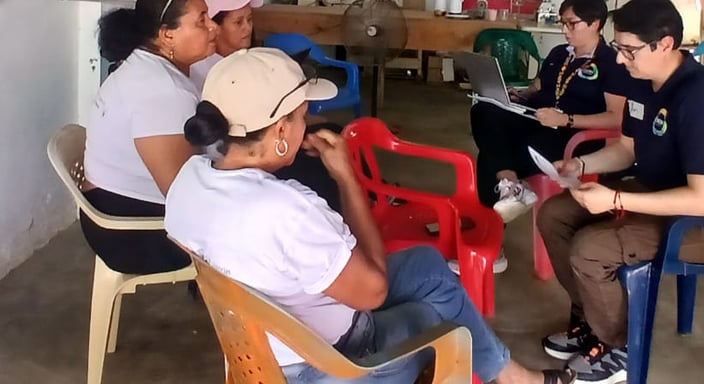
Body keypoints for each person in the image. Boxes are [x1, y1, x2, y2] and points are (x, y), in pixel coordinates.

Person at [164, 48, 574, 384]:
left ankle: (512, 376)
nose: (308, 123)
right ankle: (499, 374)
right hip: (330, 364)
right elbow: (373, 291)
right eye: (303, 116)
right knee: (442, 321)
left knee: (426, 264)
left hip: (254, 349)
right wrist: (347, 177)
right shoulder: (287, 208)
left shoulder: (190, 178)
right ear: (281, 132)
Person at [537, 0, 704, 384]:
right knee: (555, 214)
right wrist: (582, 165)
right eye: (618, 48)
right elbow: (627, 149)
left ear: (665, 44)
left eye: (628, 50)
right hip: (657, 191)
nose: (620, 60)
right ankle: (592, 321)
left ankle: (620, 348)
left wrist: (615, 198)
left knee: (590, 247)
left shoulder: (699, 97)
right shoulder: (642, 83)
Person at [82, 0, 217, 274]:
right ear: (167, 34)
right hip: (131, 233)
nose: (213, 27)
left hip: (109, 211)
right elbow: (182, 195)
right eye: (201, 21)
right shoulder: (164, 90)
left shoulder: (144, 64)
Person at [471, 0, 631, 225]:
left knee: (495, 153)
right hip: (537, 118)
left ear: (595, 23)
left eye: (572, 24)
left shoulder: (611, 63)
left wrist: (566, 119)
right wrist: (520, 95)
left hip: (572, 133)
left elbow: (616, 118)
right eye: (562, 23)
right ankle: (511, 185)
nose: (565, 30)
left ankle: (496, 215)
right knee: (484, 111)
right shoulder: (559, 53)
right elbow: (538, 86)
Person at [191, 0, 344, 213]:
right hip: (245, 152)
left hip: (257, 145)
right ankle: (346, 210)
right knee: (321, 167)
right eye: (238, 22)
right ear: (215, 27)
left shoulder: (246, 61)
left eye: (249, 20)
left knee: (332, 132)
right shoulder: (214, 73)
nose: (247, 28)